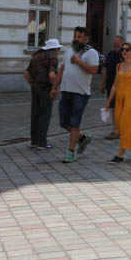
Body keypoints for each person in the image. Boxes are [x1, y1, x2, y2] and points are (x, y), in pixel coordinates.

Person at [53, 26, 99, 163]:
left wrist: (79, 62)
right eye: (75, 36)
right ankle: (82, 138)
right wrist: (54, 87)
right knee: (63, 122)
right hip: (66, 90)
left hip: (80, 92)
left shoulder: (91, 53)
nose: (76, 39)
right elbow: (61, 69)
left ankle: (71, 151)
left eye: (79, 37)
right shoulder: (69, 52)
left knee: (74, 122)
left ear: (86, 38)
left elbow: (94, 70)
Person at [105, 42, 131, 162]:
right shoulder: (119, 66)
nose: (124, 51)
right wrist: (108, 102)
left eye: (127, 49)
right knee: (120, 126)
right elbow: (114, 85)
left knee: (126, 125)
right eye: (123, 49)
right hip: (120, 98)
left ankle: (120, 155)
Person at [24, 38, 61, 149]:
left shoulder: (36, 57)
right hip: (46, 89)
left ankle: (34, 140)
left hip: (35, 88)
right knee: (45, 115)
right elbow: (51, 75)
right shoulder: (52, 57)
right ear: (54, 49)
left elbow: (26, 74)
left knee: (35, 114)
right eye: (58, 48)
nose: (59, 50)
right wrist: (55, 88)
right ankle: (42, 142)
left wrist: (33, 84)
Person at [102, 35, 123, 140]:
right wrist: (102, 83)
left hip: (121, 86)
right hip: (110, 85)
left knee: (116, 108)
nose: (115, 44)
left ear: (122, 44)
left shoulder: (124, 55)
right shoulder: (110, 54)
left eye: (117, 43)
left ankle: (116, 130)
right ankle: (117, 128)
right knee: (112, 107)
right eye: (114, 43)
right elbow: (106, 69)